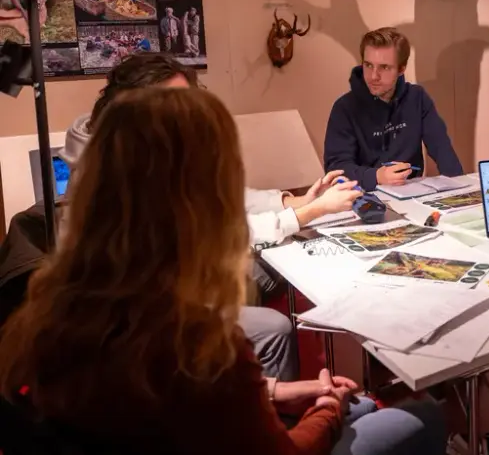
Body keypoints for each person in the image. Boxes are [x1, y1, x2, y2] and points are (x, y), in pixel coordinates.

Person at [0, 87, 448, 455]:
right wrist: (327, 408)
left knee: (362, 410)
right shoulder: (199, 345)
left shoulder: (43, 321)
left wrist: (275, 392)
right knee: (423, 414)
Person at [58, 53, 362, 383]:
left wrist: (292, 200)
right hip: (148, 317)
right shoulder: (121, 172)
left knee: (279, 257)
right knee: (274, 323)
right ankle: (268, 415)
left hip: (175, 285)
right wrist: (307, 214)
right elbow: (213, 234)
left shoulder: (144, 144)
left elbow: (219, 198)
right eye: (175, 104)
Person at [324, 27, 463, 191]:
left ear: (401, 69)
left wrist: (462, 189)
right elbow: (336, 169)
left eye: (384, 67)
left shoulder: (417, 98)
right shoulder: (344, 108)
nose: (374, 76)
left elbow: (442, 149)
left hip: (410, 193)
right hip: (361, 196)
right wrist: (376, 176)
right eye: (368, 65)